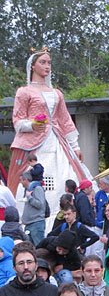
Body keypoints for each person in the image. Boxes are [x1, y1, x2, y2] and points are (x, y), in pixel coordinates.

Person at [7, 48, 92, 210]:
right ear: (33, 66)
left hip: (57, 140)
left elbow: (65, 119)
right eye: (43, 62)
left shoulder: (57, 93)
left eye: (49, 63)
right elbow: (17, 120)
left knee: (65, 173)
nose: (47, 66)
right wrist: (31, 125)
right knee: (30, 175)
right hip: (33, 142)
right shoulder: (24, 92)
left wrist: (75, 146)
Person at [19, 171, 46, 245]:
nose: (20, 182)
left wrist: (29, 197)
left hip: (36, 224)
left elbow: (40, 204)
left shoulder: (37, 189)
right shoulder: (28, 190)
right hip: (29, 224)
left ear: (26, 180)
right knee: (28, 247)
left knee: (38, 247)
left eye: (21, 180)